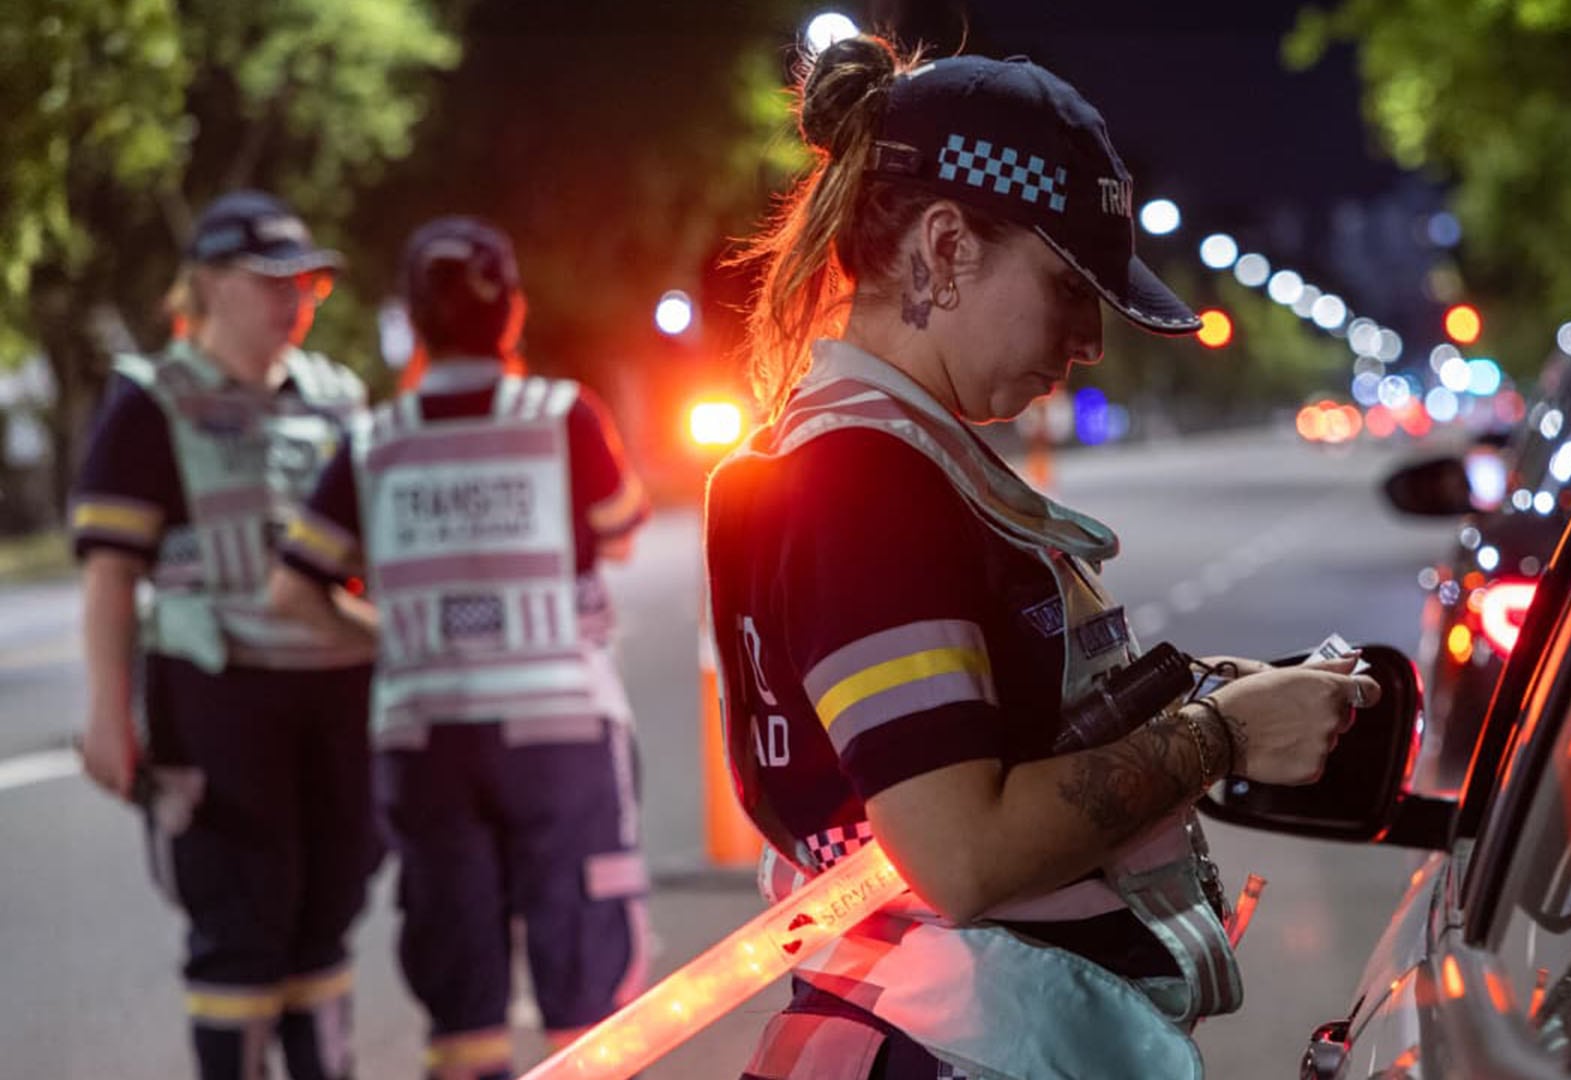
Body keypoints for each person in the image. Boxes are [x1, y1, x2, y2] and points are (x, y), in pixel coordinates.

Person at [704, 36, 1382, 1080]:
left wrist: (1203, 700)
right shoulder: (862, 481)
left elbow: (1001, 742)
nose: (1090, 342)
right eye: (1069, 288)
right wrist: (1218, 738)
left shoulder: (892, 458)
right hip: (951, 1048)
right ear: (944, 245)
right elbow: (960, 852)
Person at [267, 216, 655, 1080]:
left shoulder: (372, 442)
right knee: (587, 990)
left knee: (460, 987)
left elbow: (293, 590)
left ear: (411, 317)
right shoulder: (564, 416)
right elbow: (621, 531)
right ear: (511, 312)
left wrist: (397, 638)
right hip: (559, 734)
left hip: (425, 739)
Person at [71, 189, 379, 1080]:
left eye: (309, 281)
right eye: (273, 279)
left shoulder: (336, 397)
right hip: (215, 697)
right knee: (241, 918)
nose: (298, 299)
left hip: (335, 690)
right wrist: (107, 714)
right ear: (207, 283)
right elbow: (111, 574)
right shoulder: (150, 402)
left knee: (328, 909)